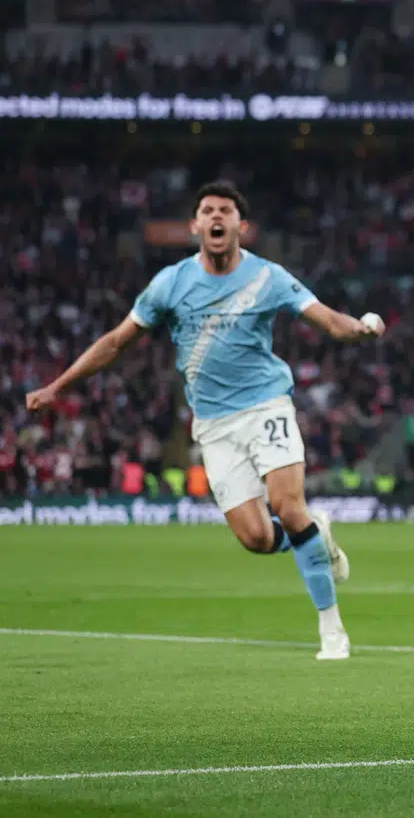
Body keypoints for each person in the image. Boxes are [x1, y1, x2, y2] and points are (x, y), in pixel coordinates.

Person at [25, 181, 385, 659]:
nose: (217, 217)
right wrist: (58, 387)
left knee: (287, 505)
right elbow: (115, 342)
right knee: (256, 538)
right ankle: (316, 536)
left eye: (226, 211)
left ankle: (331, 629)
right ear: (195, 225)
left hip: (266, 407)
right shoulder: (170, 284)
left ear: (240, 225)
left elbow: (326, 318)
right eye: (208, 210)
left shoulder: (267, 277)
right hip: (214, 425)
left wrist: (357, 330)